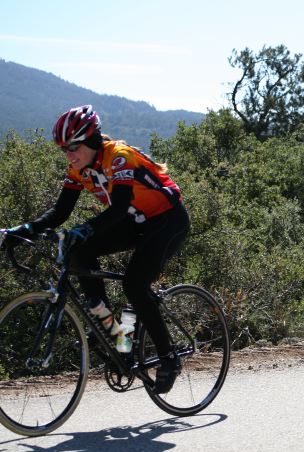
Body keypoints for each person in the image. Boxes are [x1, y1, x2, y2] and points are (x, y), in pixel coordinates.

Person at [1, 105, 189, 393]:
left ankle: (168, 356)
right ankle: (116, 334)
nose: (69, 154)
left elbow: (120, 206)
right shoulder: (78, 169)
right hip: (135, 221)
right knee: (81, 253)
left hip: (167, 219)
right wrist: (25, 229)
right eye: (64, 149)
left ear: (90, 140)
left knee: (134, 285)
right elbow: (60, 211)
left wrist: (85, 228)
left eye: (73, 147)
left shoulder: (119, 157)